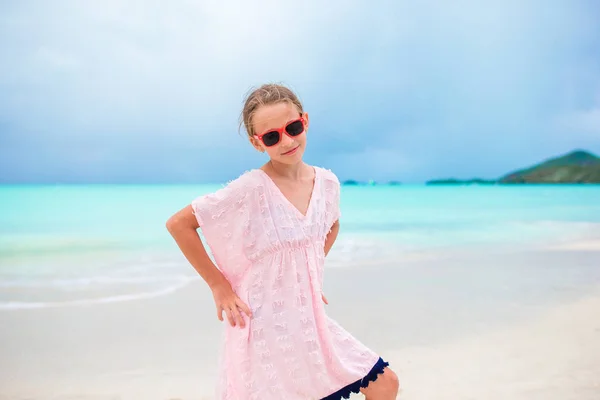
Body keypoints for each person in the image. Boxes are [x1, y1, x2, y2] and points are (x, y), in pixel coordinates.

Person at [166, 83, 400, 399]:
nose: (287, 141)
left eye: (292, 128)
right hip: (262, 326)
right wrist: (219, 287)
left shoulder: (328, 183)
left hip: (308, 318)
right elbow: (179, 224)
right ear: (256, 142)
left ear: (305, 120)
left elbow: (330, 225)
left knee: (385, 384)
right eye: (272, 136)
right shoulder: (250, 189)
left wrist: (310, 273)